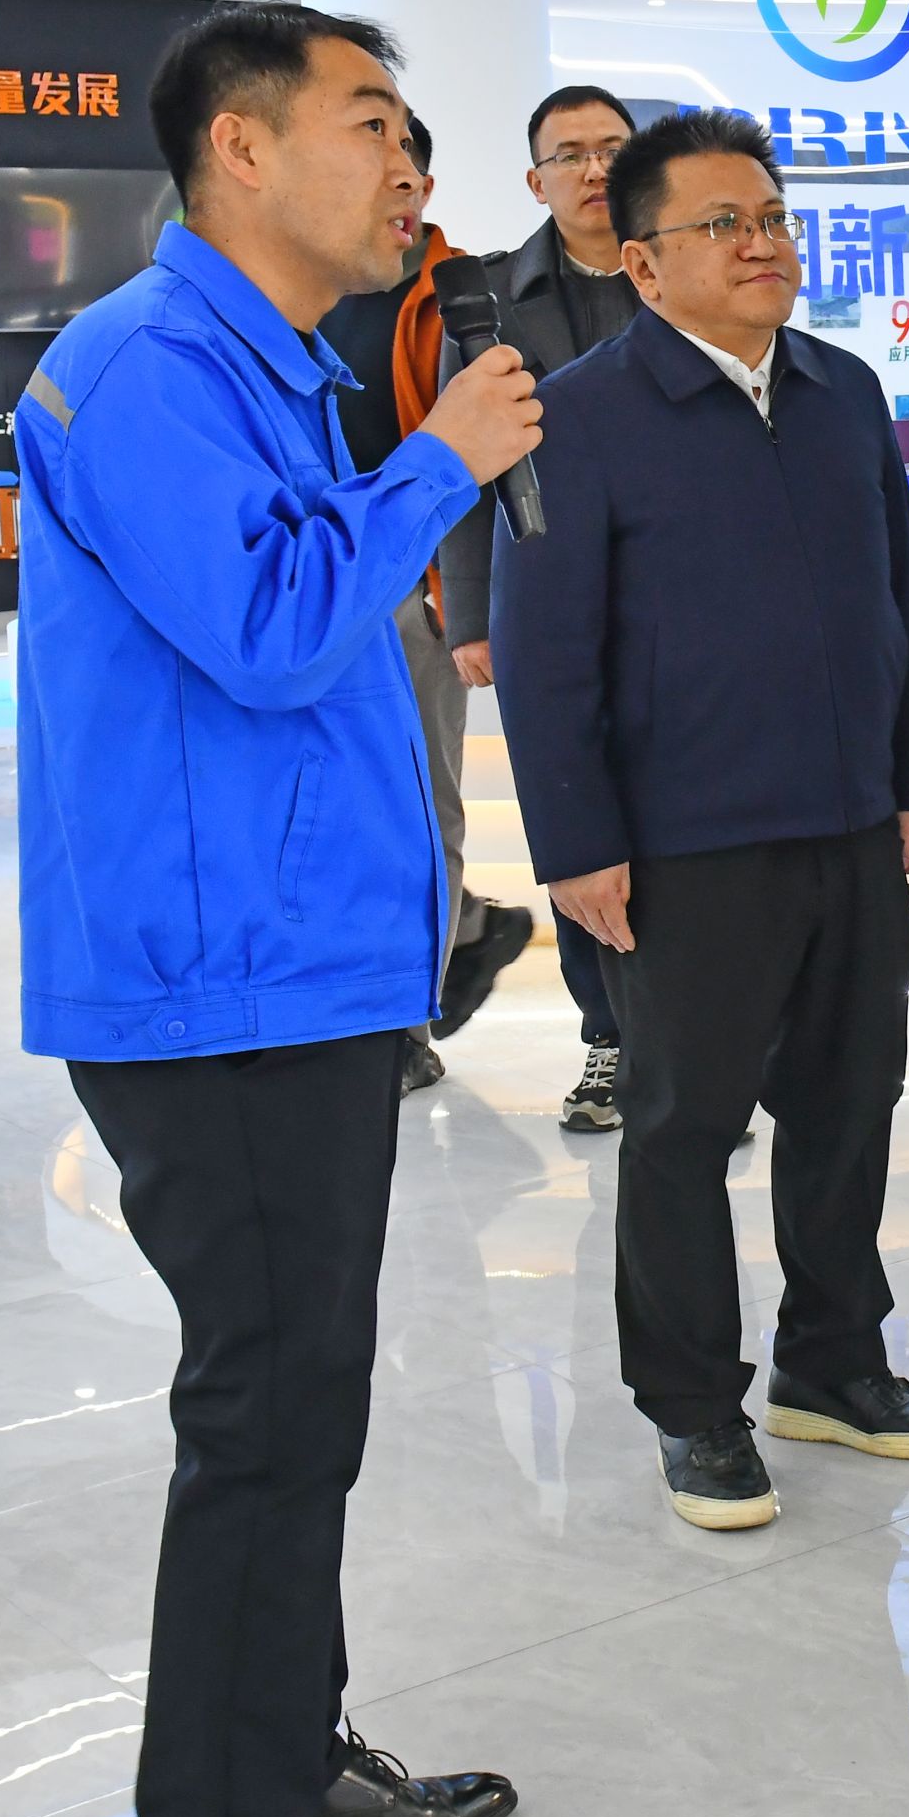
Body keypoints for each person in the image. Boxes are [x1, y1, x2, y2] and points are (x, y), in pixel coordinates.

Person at [15, 2, 543, 1817]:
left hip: (290, 971)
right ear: (240, 150)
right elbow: (265, 629)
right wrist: (440, 462)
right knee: (262, 1412)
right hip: (209, 986)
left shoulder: (270, 369)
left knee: (305, 1397)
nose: (412, 169)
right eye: (371, 126)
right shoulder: (148, 366)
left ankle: (285, 1755)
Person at [491, 107, 909, 1532]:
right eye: (721, 224)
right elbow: (543, 654)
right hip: (682, 843)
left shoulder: (841, 388)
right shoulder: (575, 418)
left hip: (852, 823)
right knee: (682, 1127)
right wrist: (575, 843)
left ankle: (834, 1361)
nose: (762, 244)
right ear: (642, 263)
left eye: (771, 217)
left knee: (848, 1106)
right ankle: (693, 1406)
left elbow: (903, 597)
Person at [314, 111, 534, 1094]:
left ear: (421, 185)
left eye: (397, 164)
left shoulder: (461, 297)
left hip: (417, 584)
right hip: (320, 577)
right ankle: (458, 933)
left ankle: (406, 1018)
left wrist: (468, 594)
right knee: (338, 802)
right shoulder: (302, 293)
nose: (383, 182)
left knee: (417, 803)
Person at [440, 83, 646, 1131]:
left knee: (685, 819)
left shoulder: (684, 268)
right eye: (570, 154)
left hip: (678, 595)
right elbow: (462, 464)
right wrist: (473, 613)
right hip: (547, 594)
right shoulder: (488, 300)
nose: (594, 169)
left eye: (612, 147)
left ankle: (696, 1039)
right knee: (574, 818)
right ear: (536, 180)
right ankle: (608, 1038)